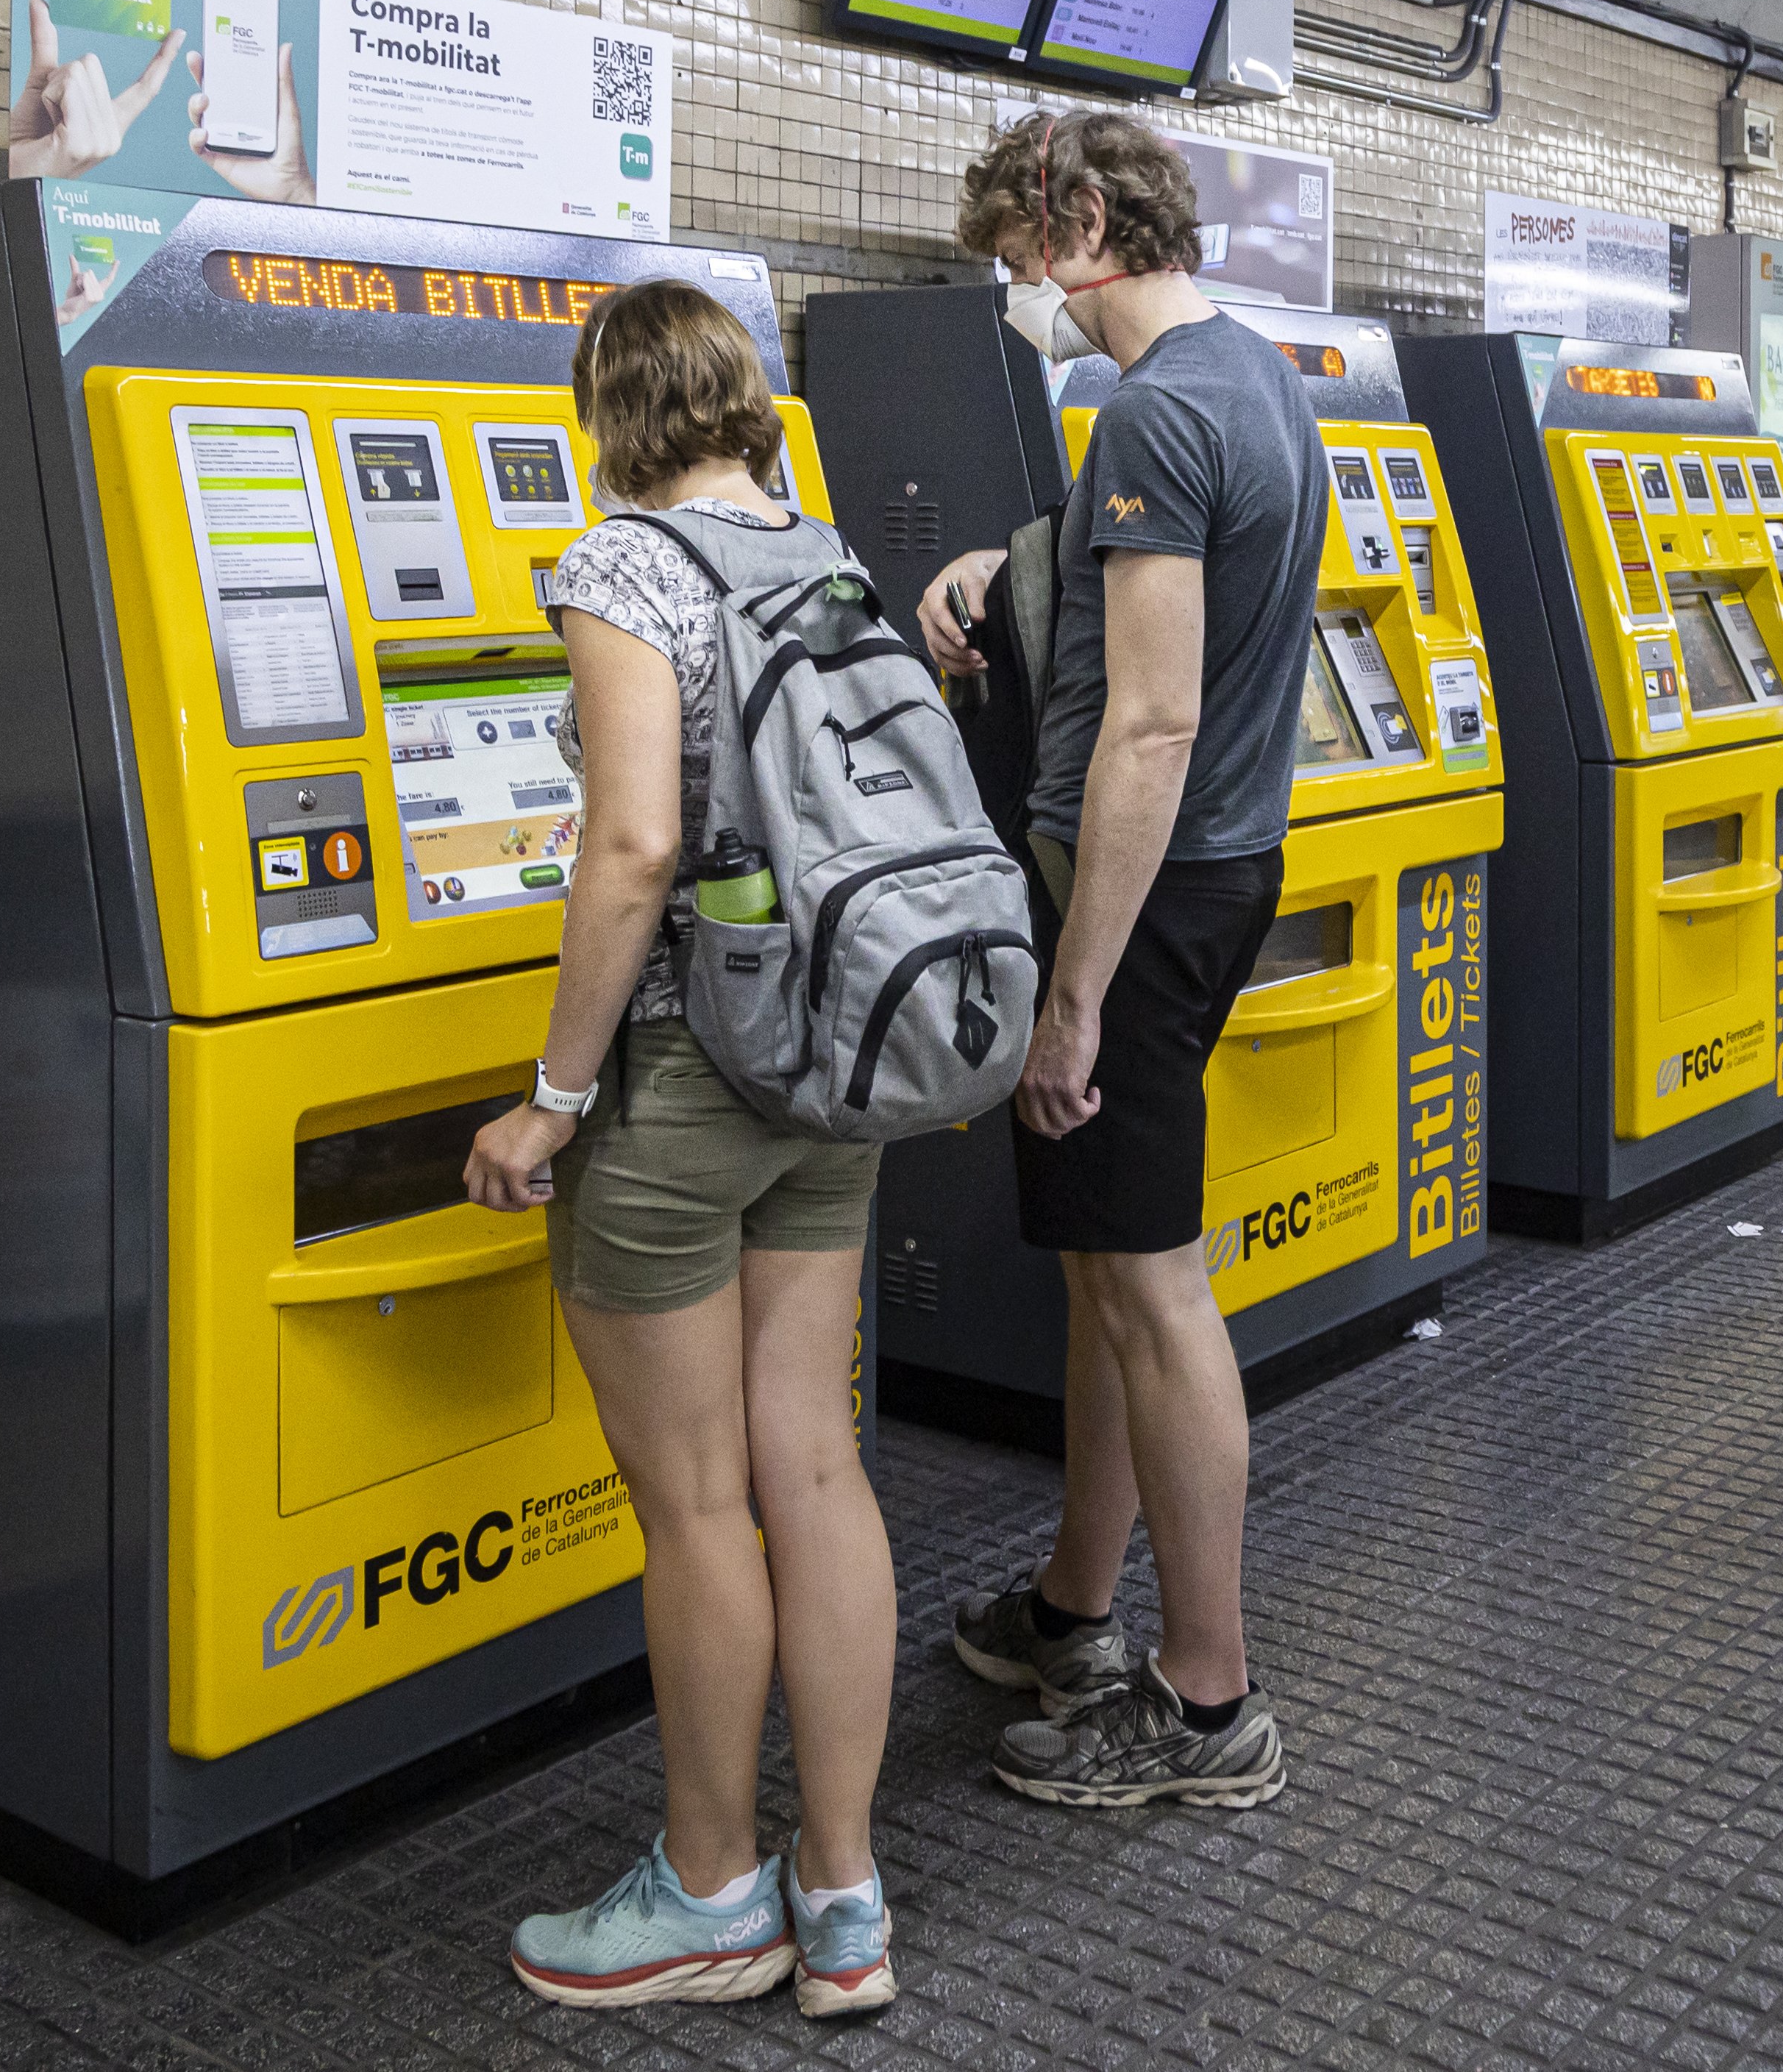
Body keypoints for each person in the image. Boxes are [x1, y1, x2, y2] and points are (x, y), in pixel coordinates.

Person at [462, 280, 900, 2014]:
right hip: (829, 1069)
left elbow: (633, 844)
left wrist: (549, 1100)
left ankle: (712, 1890)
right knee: (815, 1470)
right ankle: (843, 1896)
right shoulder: (823, 548)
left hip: (680, 1086)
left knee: (700, 1501)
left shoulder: (623, 564)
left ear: (611, 409)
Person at [917, 113, 1324, 1807]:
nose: (1025, 291)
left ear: (1084, 219)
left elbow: (1150, 722)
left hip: (1137, 901)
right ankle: (1079, 1609)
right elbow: (1164, 624)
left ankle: (1209, 1701)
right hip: (1214, 875)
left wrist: (1074, 996)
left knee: (1153, 1285)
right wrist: (1007, 576)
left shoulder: (1153, 408)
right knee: (1105, 1269)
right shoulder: (1258, 378)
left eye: (1021, 254)